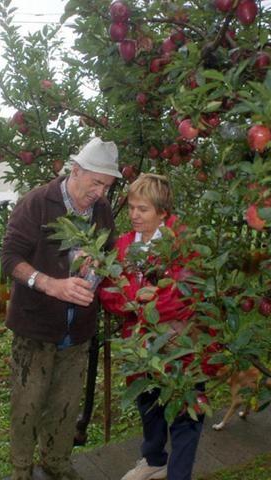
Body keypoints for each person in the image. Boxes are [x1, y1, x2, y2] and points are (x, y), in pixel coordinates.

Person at [0, 137, 121, 480]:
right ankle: (22, 471)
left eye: (107, 186)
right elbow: (10, 258)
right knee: (27, 404)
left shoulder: (102, 211)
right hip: (35, 327)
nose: (100, 192)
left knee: (66, 405)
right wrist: (51, 284)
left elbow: (108, 255)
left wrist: (96, 266)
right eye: (96, 182)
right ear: (76, 170)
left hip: (78, 328)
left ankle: (57, 464)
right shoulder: (38, 203)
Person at [98, 173, 218, 480]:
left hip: (180, 347)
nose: (134, 215)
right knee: (148, 403)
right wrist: (130, 301)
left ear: (162, 212)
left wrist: (139, 301)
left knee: (185, 412)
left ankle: (179, 474)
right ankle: (153, 459)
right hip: (141, 347)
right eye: (132, 208)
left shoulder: (182, 244)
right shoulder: (125, 246)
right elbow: (109, 292)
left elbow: (187, 296)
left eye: (143, 209)